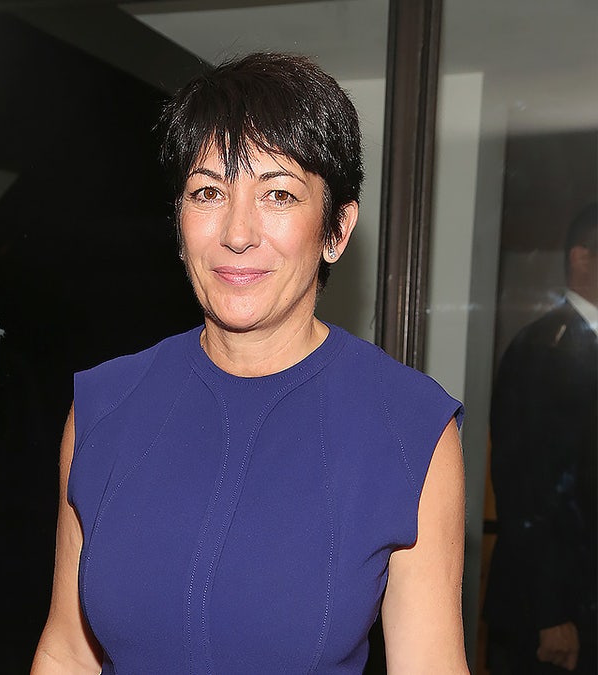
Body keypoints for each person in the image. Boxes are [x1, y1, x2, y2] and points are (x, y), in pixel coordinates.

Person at [30, 53, 468, 673]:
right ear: (179, 220)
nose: (237, 233)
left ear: (337, 230)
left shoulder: (409, 427)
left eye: (278, 195)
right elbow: (67, 653)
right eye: (208, 192)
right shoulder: (106, 406)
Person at [485, 203, 597, 674]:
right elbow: (525, 488)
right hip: (551, 615)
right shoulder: (544, 349)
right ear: (582, 259)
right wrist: (552, 614)